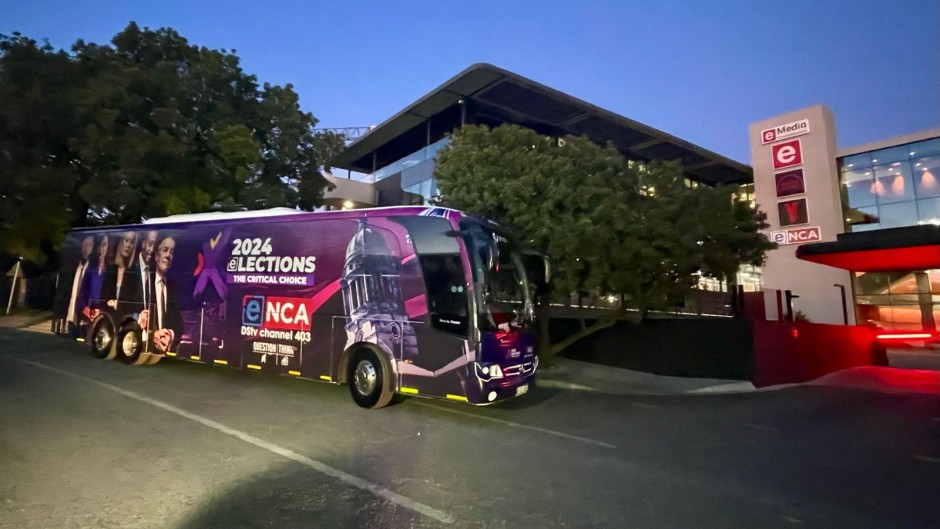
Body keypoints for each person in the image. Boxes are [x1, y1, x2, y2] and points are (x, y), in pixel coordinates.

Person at [151, 236, 182, 353]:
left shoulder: (173, 288)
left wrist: (170, 334)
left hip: (164, 351)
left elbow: (179, 326)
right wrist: (153, 335)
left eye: (171, 252)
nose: (168, 255)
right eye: (165, 250)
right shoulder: (145, 283)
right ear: (156, 255)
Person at [102, 231, 137, 311]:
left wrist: (118, 305)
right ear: (121, 242)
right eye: (126, 240)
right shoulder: (111, 270)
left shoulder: (134, 273)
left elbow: (134, 305)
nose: (128, 245)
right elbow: (103, 299)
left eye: (132, 242)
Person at [78, 235, 110, 323]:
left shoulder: (110, 271)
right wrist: (86, 310)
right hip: (87, 316)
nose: (101, 249)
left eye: (104, 245)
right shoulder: (90, 269)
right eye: (99, 245)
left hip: (104, 316)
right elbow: (81, 295)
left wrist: (100, 311)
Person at [66, 235, 94, 335]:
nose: (86, 247)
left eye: (90, 245)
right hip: (71, 316)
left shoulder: (92, 269)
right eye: (85, 244)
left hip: (83, 318)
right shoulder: (75, 267)